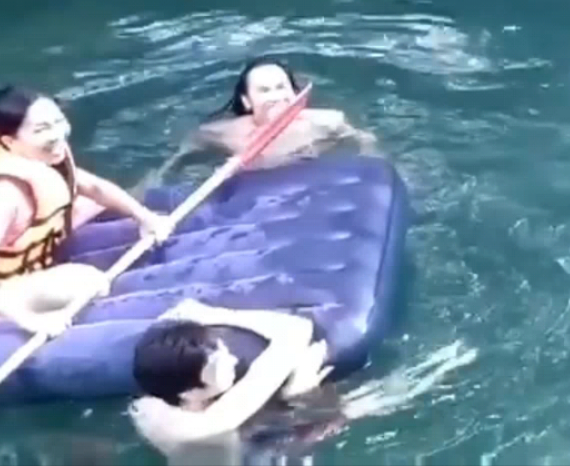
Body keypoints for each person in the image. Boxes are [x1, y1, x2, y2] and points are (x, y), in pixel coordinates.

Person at [129, 299, 475, 465]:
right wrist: (221, 315)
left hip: (232, 444)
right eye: (219, 363)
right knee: (322, 397)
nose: (233, 357)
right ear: (191, 391)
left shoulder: (150, 403)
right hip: (250, 456)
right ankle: (446, 367)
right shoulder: (201, 427)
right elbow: (295, 331)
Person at [0, 85, 172, 336]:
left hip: (29, 268)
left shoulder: (41, 161)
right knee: (87, 281)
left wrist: (145, 217)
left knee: (98, 205)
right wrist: (29, 320)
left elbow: (93, 186)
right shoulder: (7, 193)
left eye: (58, 121)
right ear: (9, 141)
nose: (57, 134)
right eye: (41, 130)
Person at [143, 59, 376, 189]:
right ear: (247, 101)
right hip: (249, 189)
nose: (275, 96)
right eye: (264, 91)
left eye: (281, 88)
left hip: (312, 182)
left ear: (294, 93)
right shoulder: (220, 134)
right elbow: (178, 160)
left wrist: (373, 175)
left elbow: (365, 142)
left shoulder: (327, 122)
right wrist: (151, 186)